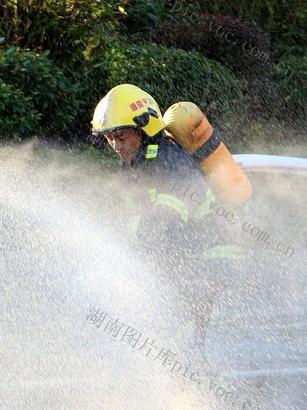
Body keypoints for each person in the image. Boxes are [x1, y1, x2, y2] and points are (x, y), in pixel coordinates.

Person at [91, 84, 243, 360]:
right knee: (179, 340)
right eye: (110, 138)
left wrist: (126, 246)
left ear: (144, 128)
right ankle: (201, 387)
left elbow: (167, 222)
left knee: (178, 340)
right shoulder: (139, 163)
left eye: (121, 136)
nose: (116, 145)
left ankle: (205, 394)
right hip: (189, 258)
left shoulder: (167, 161)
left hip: (206, 258)